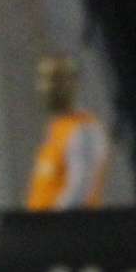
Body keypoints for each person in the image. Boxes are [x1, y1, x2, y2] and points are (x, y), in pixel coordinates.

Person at [24, 53, 110, 212]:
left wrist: (48, 229)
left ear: (73, 83)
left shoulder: (84, 130)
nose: (48, 87)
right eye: (44, 79)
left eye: (56, 79)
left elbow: (79, 192)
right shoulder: (57, 130)